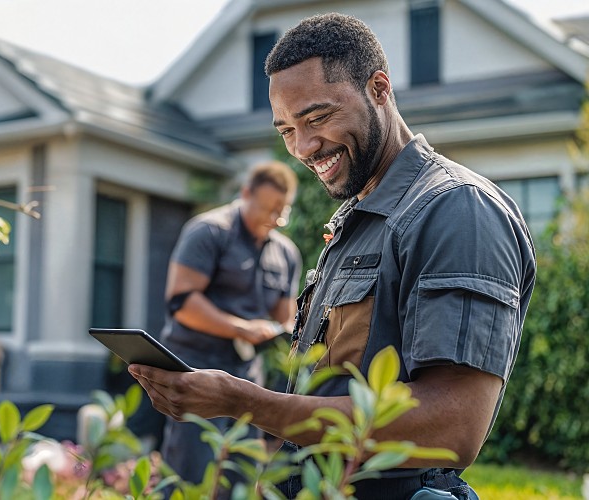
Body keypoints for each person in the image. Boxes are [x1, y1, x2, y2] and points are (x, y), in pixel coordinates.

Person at [129, 13, 536, 500]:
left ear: (379, 89)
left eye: (317, 118)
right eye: (286, 131)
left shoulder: (456, 210)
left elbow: (451, 427)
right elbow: (324, 394)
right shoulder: (356, 221)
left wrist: (244, 401)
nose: (303, 147)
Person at [158, 160, 302, 492]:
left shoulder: (286, 253)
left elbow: (286, 316)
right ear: (245, 194)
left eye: (281, 212)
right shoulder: (207, 231)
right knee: (191, 472)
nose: (273, 220)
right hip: (195, 366)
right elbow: (181, 303)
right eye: (266, 209)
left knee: (242, 473)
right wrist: (241, 328)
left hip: (247, 374)